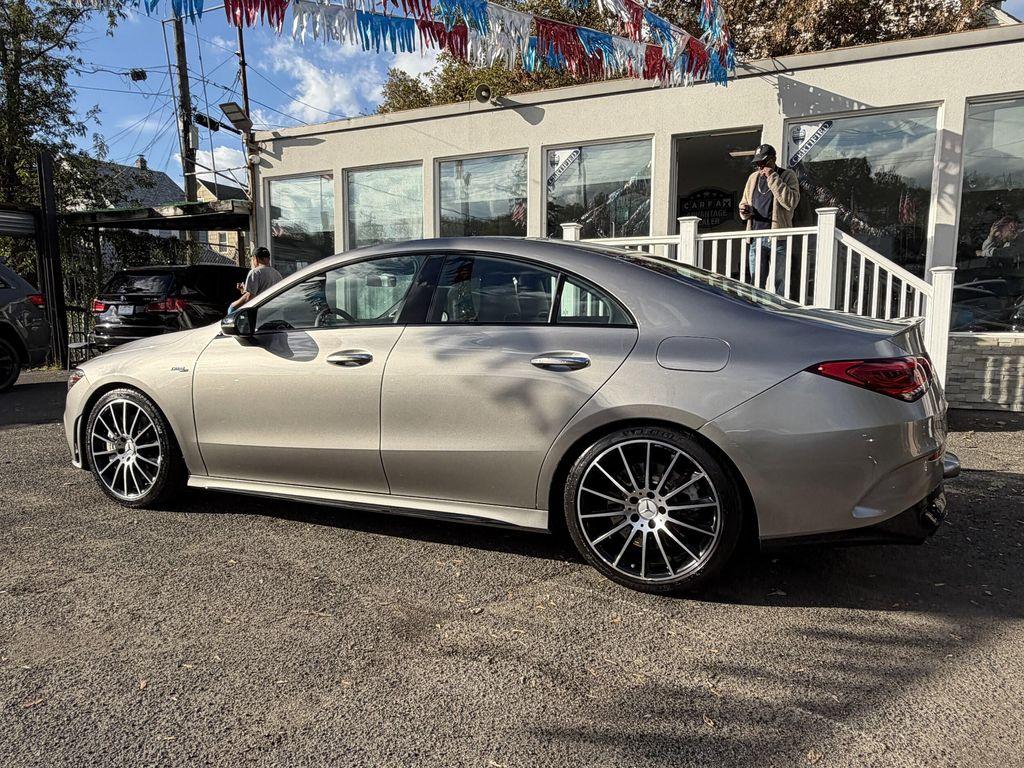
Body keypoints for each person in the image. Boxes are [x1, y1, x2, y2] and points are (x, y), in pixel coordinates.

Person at [738, 144, 801, 294]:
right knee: (755, 281)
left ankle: (780, 313)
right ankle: (756, 312)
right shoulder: (752, 178)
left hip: (778, 237)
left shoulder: (787, 175)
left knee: (780, 280)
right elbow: (743, 202)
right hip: (755, 236)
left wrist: (772, 176)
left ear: (773, 160)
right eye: (757, 164)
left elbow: (791, 202)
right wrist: (744, 211)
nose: (760, 167)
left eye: (763, 163)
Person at [230, 246, 283, 313]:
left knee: (231, 309)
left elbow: (249, 297)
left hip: (261, 311)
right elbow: (262, 290)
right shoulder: (277, 273)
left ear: (255, 258)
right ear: (268, 259)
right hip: (275, 310)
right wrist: (243, 289)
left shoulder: (255, 272)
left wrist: (233, 306)